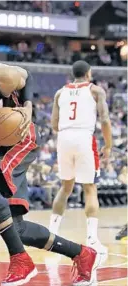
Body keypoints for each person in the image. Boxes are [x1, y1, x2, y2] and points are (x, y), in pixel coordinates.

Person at [0, 56, 101, 286]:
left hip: (22, 141)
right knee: (18, 229)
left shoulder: (1, 76)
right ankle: (82, 254)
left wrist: (27, 107)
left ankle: (20, 260)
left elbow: (26, 77)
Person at [49, 60, 111, 256]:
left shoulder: (60, 92)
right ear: (89, 73)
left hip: (64, 138)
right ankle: (92, 239)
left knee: (66, 186)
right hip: (84, 137)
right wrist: (108, 145)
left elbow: (54, 124)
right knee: (90, 188)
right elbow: (105, 119)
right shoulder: (96, 91)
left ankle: (51, 234)